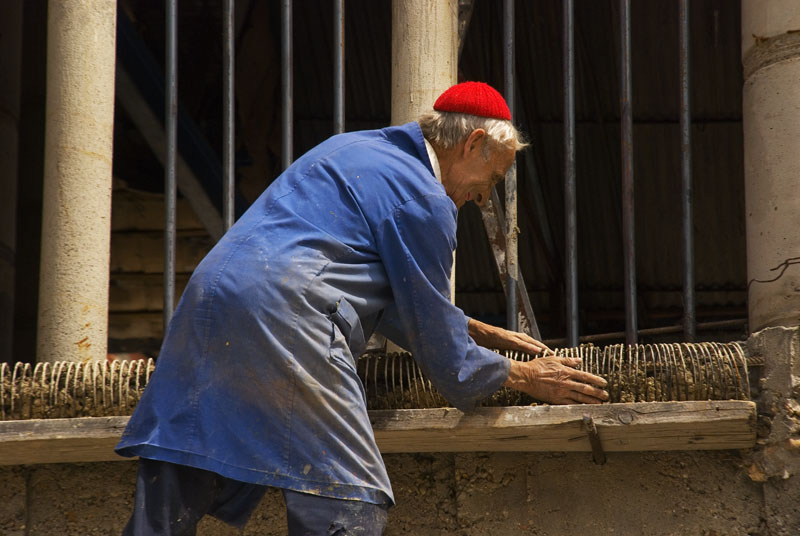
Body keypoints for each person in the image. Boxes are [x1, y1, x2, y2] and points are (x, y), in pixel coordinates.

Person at [116, 81, 608, 535]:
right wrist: (524, 376)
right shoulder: (425, 198)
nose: (485, 195)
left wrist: (477, 328)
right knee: (348, 496)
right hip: (290, 314)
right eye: (492, 176)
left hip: (210, 300)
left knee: (180, 475)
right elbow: (438, 345)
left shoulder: (351, 147)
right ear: (473, 143)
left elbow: (366, 280)